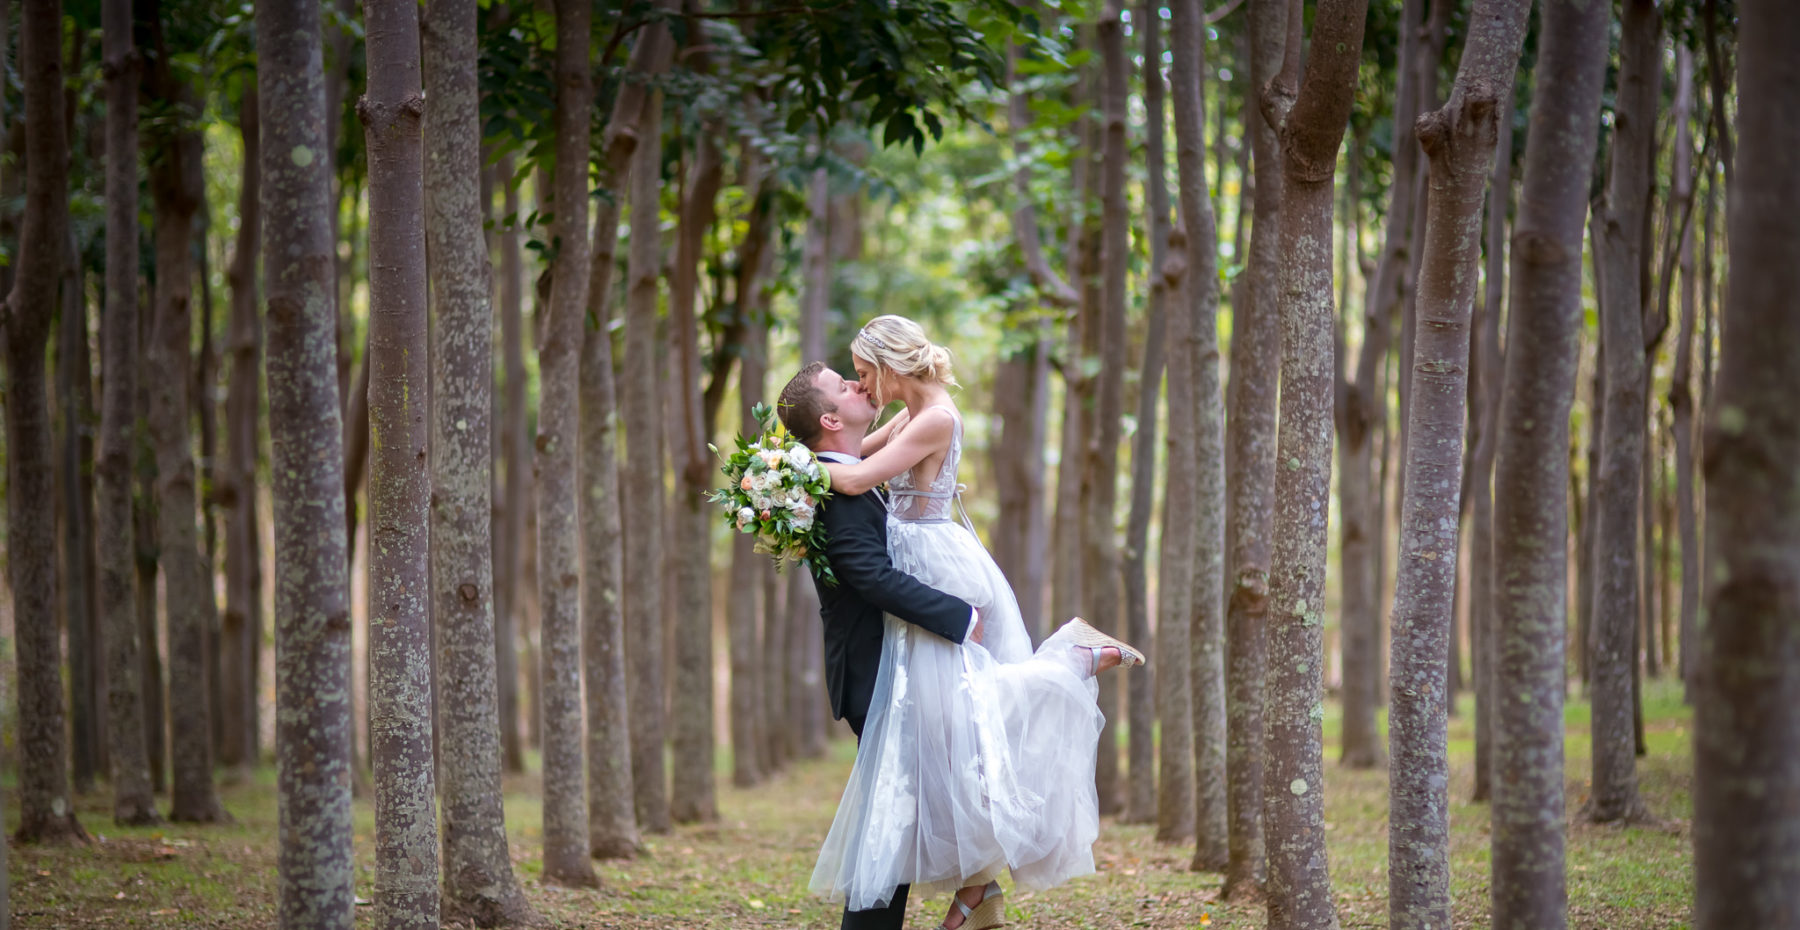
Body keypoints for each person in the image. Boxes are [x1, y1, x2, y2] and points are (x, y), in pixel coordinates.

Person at [777, 315, 1143, 930]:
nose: (860, 383)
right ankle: (978, 889)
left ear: (889, 363)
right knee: (949, 748)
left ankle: (1071, 660)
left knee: (968, 724)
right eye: (849, 382)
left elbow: (858, 473)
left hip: (933, 571)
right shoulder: (902, 420)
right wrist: (789, 472)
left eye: (861, 371)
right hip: (909, 591)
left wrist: (796, 473)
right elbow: (855, 460)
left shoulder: (933, 417)